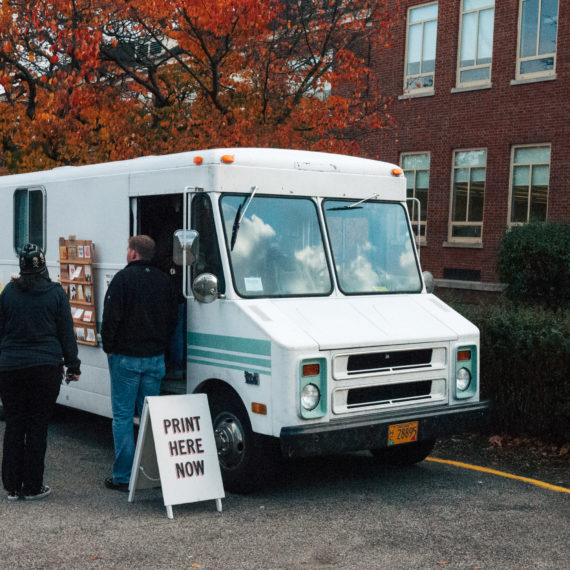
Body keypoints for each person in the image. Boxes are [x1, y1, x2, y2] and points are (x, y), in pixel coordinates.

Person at [0, 243, 81, 501]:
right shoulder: (56, 293)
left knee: (14, 426)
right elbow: (66, 333)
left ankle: (12, 487)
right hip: (46, 367)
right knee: (37, 426)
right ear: (44, 266)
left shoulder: (8, 293)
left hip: (11, 367)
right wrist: (73, 365)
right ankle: (33, 486)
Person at [101, 235, 177, 492]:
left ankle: (123, 476)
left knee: (123, 416)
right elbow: (172, 321)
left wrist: (109, 348)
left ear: (133, 254)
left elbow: (111, 317)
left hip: (127, 358)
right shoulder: (165, 281)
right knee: (150, 417)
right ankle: (152, 473)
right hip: (155, 358)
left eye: (127, 249)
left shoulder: (123, 279)